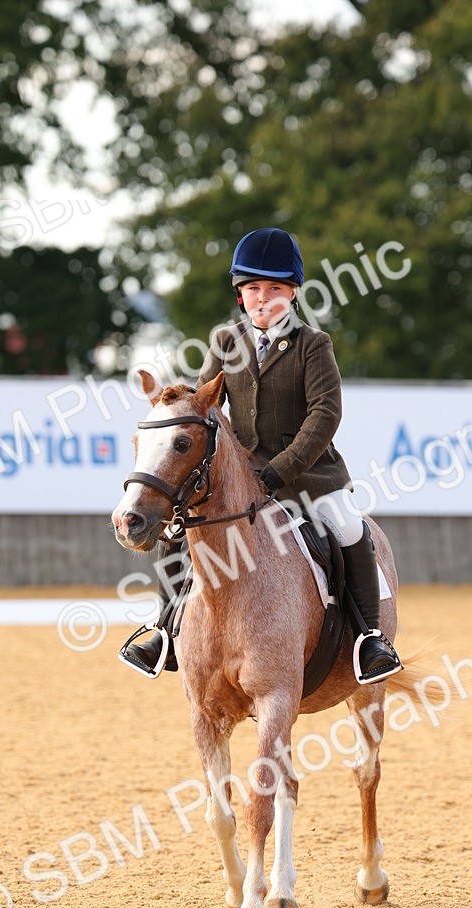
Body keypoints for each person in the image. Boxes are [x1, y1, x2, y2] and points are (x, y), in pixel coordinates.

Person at [120, 226, 401, 684]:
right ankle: (165, 630)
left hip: (310, 478)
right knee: (177, 532)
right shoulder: (226, 342)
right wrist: (171, 402)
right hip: (243, 479)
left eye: (274, 289)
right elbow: (203, 402)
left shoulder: (314, 345)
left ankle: (371, 639)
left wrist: (279, 471)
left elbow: (325, 416)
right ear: (240, 295)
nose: (263, 298)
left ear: (292, 294)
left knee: (350, 528)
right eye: (254, 289)